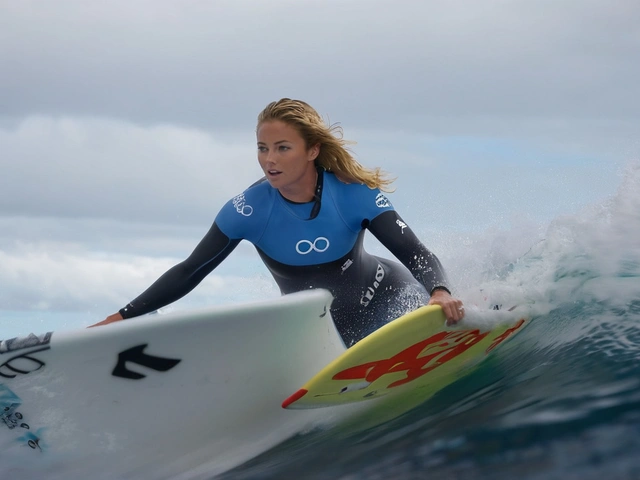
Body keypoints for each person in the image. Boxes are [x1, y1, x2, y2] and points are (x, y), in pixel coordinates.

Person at [91, 98, 465, 346]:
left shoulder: (354, 193)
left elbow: (414, 252)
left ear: (312, 150)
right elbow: (191, 270)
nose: (269, 159)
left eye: (283, 148)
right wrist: (124, 316)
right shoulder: (247, 211)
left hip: (393, 302)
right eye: (262, 148)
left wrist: (440, 290)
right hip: (324, 332)